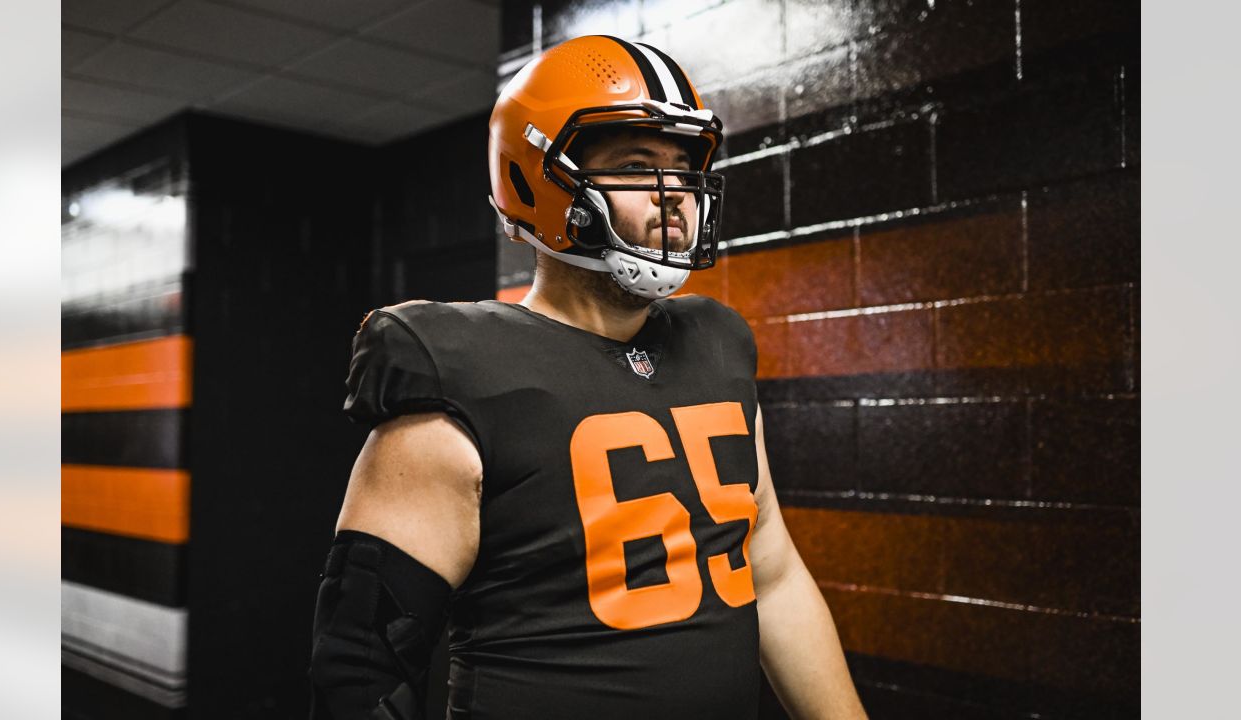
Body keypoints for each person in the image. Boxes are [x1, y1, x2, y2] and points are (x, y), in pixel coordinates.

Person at [309, 35, 868, 720]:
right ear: (535, 179)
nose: (675, 196)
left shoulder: (718, 346)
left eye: (682, 167)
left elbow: (770, 572)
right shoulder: (461, 379)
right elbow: (363, 660)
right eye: (636, 165)